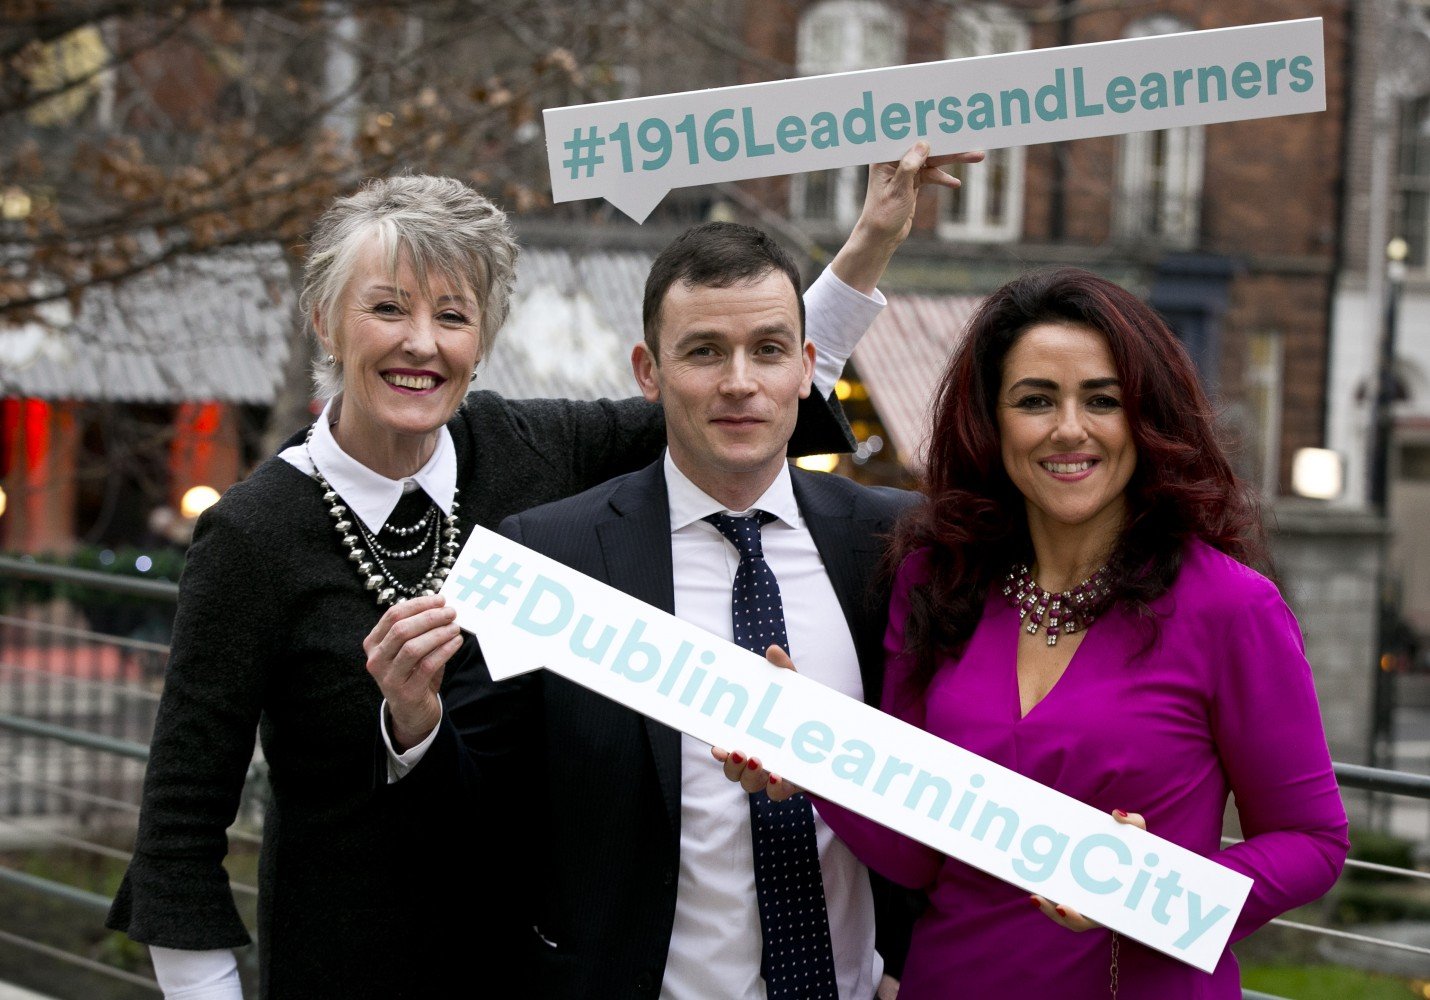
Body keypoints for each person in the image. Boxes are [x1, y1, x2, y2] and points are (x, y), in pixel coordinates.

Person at [106, 144, 979, 1000]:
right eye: (386, 309)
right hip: (354, 963)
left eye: (453, 315)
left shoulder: (530, 449)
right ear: (323, 321)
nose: (422, 343)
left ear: (482, 340)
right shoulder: (253, 533)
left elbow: (735, 398)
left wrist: (868, 246)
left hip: (527, 961)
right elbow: (180, 829)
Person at [727, 267, 1349, 998]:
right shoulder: (936, 578)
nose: (1069, 429)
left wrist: (1159, 892)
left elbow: (1314, 842)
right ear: (993, 421)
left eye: (1102, 400)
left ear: (1146, 417)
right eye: (1036, 400)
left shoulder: (1231, 607)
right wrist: (814, 757)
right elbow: (919, 856)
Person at [371, 221, 931, 999]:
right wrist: (413, 721)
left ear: (807, 368)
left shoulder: (895, 542)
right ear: (649, 370)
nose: (740, 381)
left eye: (768, 350)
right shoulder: (545, 555)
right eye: (704, 352)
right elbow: (467, 821)